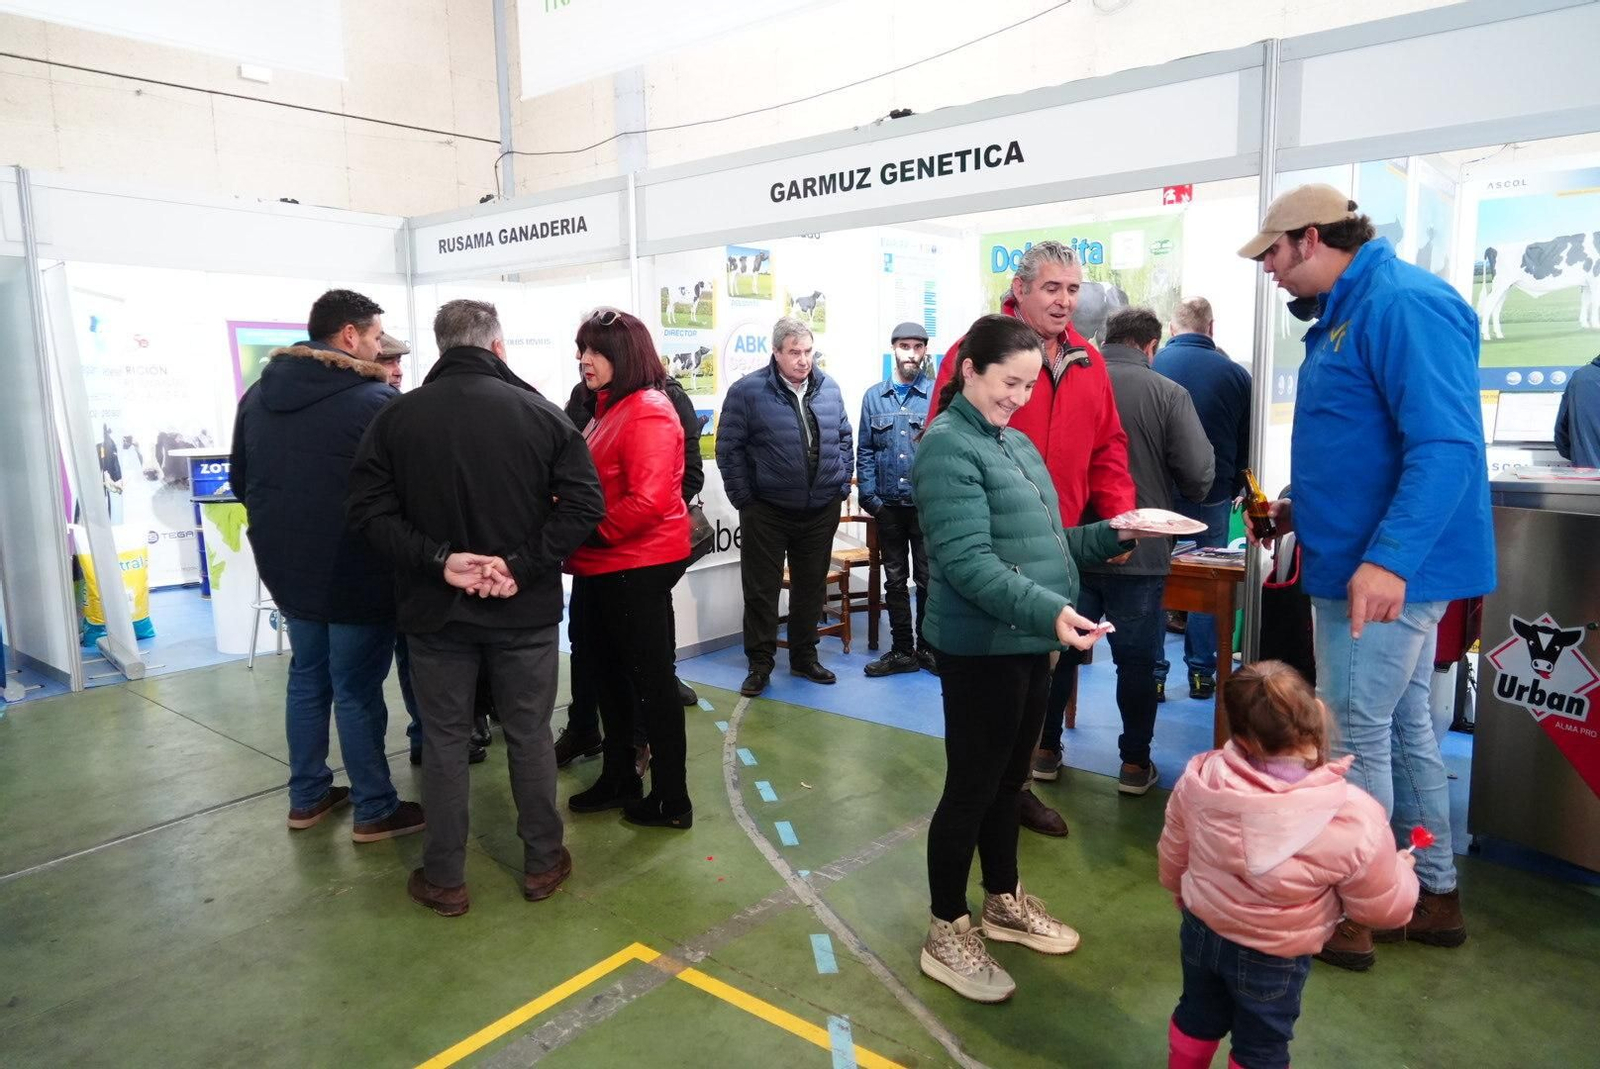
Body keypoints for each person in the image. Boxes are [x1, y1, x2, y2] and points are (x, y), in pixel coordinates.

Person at [1240, 184, 1494, 968]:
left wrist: (1387, 560)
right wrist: (1295, 511)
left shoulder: (1402, 304)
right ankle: (1432, 887)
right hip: (1360, 561)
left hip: (1383, 575)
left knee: (1348, 736)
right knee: (1407, 727)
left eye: (1275, 255)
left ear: (1311, 239)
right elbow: (1363, 446)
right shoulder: (1350, 312)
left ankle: (1355, 903)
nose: (1270, 273)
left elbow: (1446, 446)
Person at [348, 298, 604, 917]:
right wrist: (518, 565)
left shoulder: (396, 418)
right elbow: (584, 507)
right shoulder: (541, 413)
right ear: (497, 346)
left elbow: (368, 514)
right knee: (530, 736)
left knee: (443, 741)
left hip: (436, 611)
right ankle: (543, 861)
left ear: (441, 348)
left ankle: (444, 877)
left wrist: (442, 561)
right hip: (525, 611)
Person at [913, 313, 1136, 1004]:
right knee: (972, 788)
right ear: (970, 369)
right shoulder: (948, 447)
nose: (1020, 395)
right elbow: (969, 563)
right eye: (1009, 382)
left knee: (1009, 784)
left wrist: (1111, 533)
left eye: (1030, 384)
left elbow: (1046, 543)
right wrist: (1050, 612)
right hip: (982, 647)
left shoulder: (1010, 443)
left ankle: (1003, 900)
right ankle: (945, 925)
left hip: (1028, 644)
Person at [929, 240, 1136, 837]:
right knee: (991, 704)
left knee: (1047, 671)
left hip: (1061, 546)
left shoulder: (1090, 364)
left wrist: (1119, 521)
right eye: (1052, 288)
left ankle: (1022, 781)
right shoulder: (978, 352)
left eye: (1073, 290)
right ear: (1019, 289)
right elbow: (945, 445)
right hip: (990, 560)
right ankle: (997, 795)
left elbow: (1108, 448)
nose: (1064, 301)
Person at [230, 289, 423, 842]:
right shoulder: (373, 405)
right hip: (357, 571)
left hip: (289, 570)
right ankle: (374, 807)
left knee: (308, 679)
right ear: (349, 336)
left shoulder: (257, 397)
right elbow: (407, 496)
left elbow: (243, 480)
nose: (380, 347)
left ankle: (308, 797)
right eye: (376, 336)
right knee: (358, 689)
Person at [1159, 661, 1419, 1069]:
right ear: (1314, 712)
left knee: (1196, 1015)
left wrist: (1178, 886)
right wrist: (1402, 870)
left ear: (1239, 734)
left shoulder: (1202, 777)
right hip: (1273, 954)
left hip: (1201, 927)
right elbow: (1384, 909)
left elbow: (1175, 845)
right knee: (1261, 1047)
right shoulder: (1352, 816)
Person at [1036, 308, 1213, 796]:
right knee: (1136, 663)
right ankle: (1134, 764)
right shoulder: (1168, 393)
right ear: (1151, 346)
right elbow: (1199, 476)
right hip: (1139, 554)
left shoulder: (1068, 383)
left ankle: (1045, 751)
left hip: (1066, 544)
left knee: (1059, 650)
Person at [557, 362, 705, 771]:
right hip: (599, 556)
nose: (585, 359)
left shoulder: (660, 401)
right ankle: (589, 732)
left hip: (636, 554)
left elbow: (678, 481)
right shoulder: (589, 398)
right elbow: (570, 467)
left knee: (641, 664)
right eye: (581, 349)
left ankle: (640, 753)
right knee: (590, 650)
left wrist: (601, 527)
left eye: (595, 350)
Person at [716, 316, 853, 697]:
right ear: (775, 353)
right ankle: (760, 664)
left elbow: (844, 437)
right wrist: (746, 499)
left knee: (810, 588)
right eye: (794, 352)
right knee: (761, 590)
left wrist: (840, 484)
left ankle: (804, 657)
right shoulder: (748, 392)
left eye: (808, 351)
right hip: (768, 510)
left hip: (820, 508)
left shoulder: (829, 389)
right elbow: (729, 449)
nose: (803, 360)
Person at [376, 330, 494, 768]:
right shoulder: (393, 413)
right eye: (385, 358)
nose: (397, 369)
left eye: (398, 361)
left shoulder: (402, 411)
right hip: (419, 571)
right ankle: (433, 734)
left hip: (415, 565)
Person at [1153, 296, 1252, 700]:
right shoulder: (1235, 375)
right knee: (1209, 581)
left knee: (1155, 581)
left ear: (1173, 329)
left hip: (1159, 496)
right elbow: (1247, 442)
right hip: (1213, 493)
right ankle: (1202, 673)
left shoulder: (1153, 367)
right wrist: (1237, 488)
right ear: (1211, 328)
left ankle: (1154, 674)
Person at [857, 320, 936, 677]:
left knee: (928, 579)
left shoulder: (936, 395)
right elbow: (866, 450)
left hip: (925, 508)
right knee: (894, 580)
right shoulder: (874, 397)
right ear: (894, 350)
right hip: (887, 507)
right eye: (905, 346)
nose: (911, 354)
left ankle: (928, 649)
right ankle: (902, 649)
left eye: (918, 347)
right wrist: (871, 500)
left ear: (924, 352)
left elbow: (942, 451)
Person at [1554, 351, 1600, 467]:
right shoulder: (1581, 378)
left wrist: (1583, 455)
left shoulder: (1580, 378)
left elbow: (1562, 436)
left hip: (1587, 479)